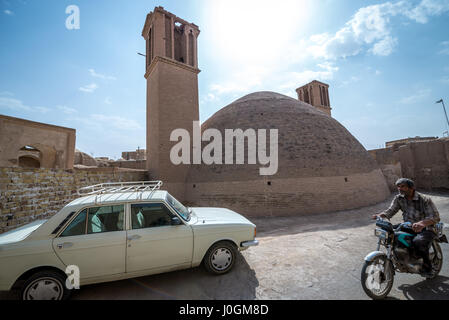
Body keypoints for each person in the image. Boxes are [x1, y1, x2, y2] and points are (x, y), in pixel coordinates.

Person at [372, 178, 440, 276]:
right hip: (408, 225)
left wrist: (421, 223)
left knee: (419, 242)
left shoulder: (424, 199)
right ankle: (400, 255)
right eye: (398, 186)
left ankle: (427, 267)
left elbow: (435, 216)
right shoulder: (399, 198)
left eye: (403, 186)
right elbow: (391, 210)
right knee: (389, 233)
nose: (400, 188)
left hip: (426, 228)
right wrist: (381, 215)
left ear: (411, 187)